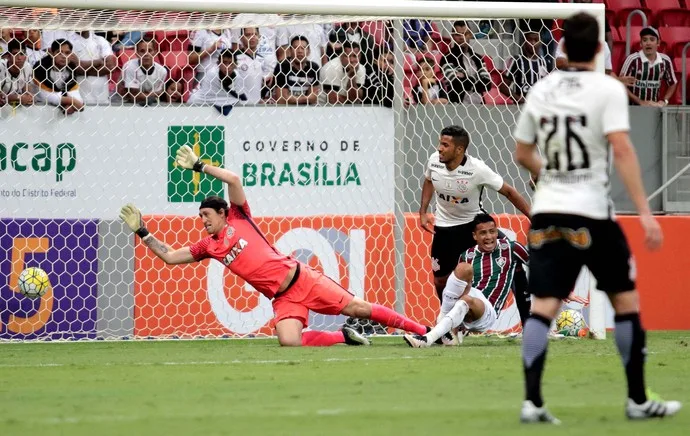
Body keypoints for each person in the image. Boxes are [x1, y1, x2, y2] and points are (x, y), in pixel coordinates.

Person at [513, 12, 681, 423]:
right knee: (625, 302)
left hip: (548, 209)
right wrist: (645, 212)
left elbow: (522, 154)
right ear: (600, 49)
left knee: (543, 308)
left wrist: (551, 174)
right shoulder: (606, 90)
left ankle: (532, 402)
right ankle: (638, 400)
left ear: (564, 46)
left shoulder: (542, 89)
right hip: (591, 212)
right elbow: (621, 149)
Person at [119, 145, 431, 347]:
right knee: (289, 343)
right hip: (282, 298)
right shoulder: (209, 246)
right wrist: (143, 232)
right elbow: (172, 258)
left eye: (207, 215)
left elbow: (233, 179)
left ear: (223, 213)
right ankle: (345, 337)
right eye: (200, 216)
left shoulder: (240, 216)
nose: (203, 220)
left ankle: (423, 331)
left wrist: (200, 166)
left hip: (302, 279)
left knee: (359, 308)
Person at [404, 214, 586, 348]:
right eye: (483, 233)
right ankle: (448, 330)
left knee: (466, 298)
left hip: (488, 311)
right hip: (469, 302)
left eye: (492, 231)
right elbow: (461, 287)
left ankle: (428, 339)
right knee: (462, 270)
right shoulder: (467, 255)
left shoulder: (511, 248)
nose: (489, 236)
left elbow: (538, 267)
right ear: (475, 236)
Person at [419, 125, 532, 338]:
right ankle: (451, 327)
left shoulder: (477, 169)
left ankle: (531, 326)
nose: (439, 148)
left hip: (472, 227)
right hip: (444, 228)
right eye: (440, 143)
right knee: (441, 281)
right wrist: (423, 212)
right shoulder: (434, 160)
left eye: (445, 145)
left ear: (460, 150)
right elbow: (428, 181)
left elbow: (509, 191)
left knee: (513, 260)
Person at [619, 27, 677, 107]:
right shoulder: (632, 60)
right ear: (641, 43)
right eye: (645, 40)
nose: (648, 43)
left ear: (658, 43)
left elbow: (673, 83)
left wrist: (664, 100)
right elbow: (620, 84)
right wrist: (640, 102)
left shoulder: (665, 60)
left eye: (652, 40)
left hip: (654, 108)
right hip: (632, 108)